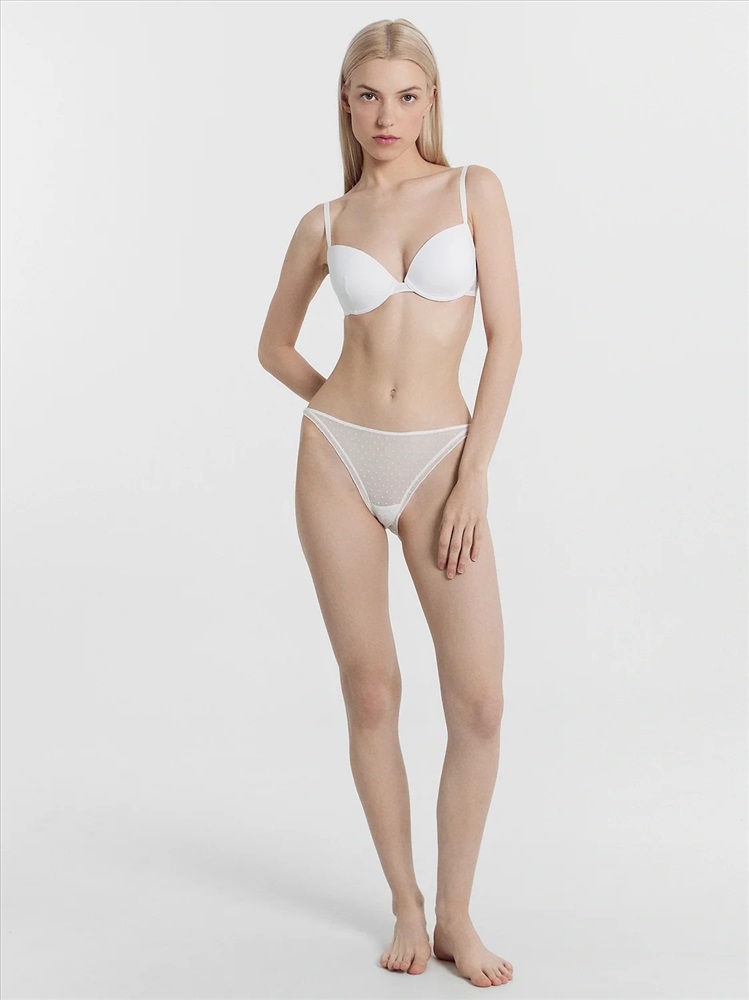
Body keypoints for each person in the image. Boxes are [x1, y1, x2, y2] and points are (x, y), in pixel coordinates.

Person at [258, 17, 521, 990]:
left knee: (479, 704)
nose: (386, 115)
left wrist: (473, 473)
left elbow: (507, 341)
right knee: (370, 690)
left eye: (406, 96)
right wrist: (335, 408)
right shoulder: (324, 222)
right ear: (345, 101)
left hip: (443, 462)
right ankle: (407, 903)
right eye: (368, 94)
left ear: (430, 101)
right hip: (335, 457)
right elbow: (274, 346)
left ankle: (456, 912)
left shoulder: (472, 190)